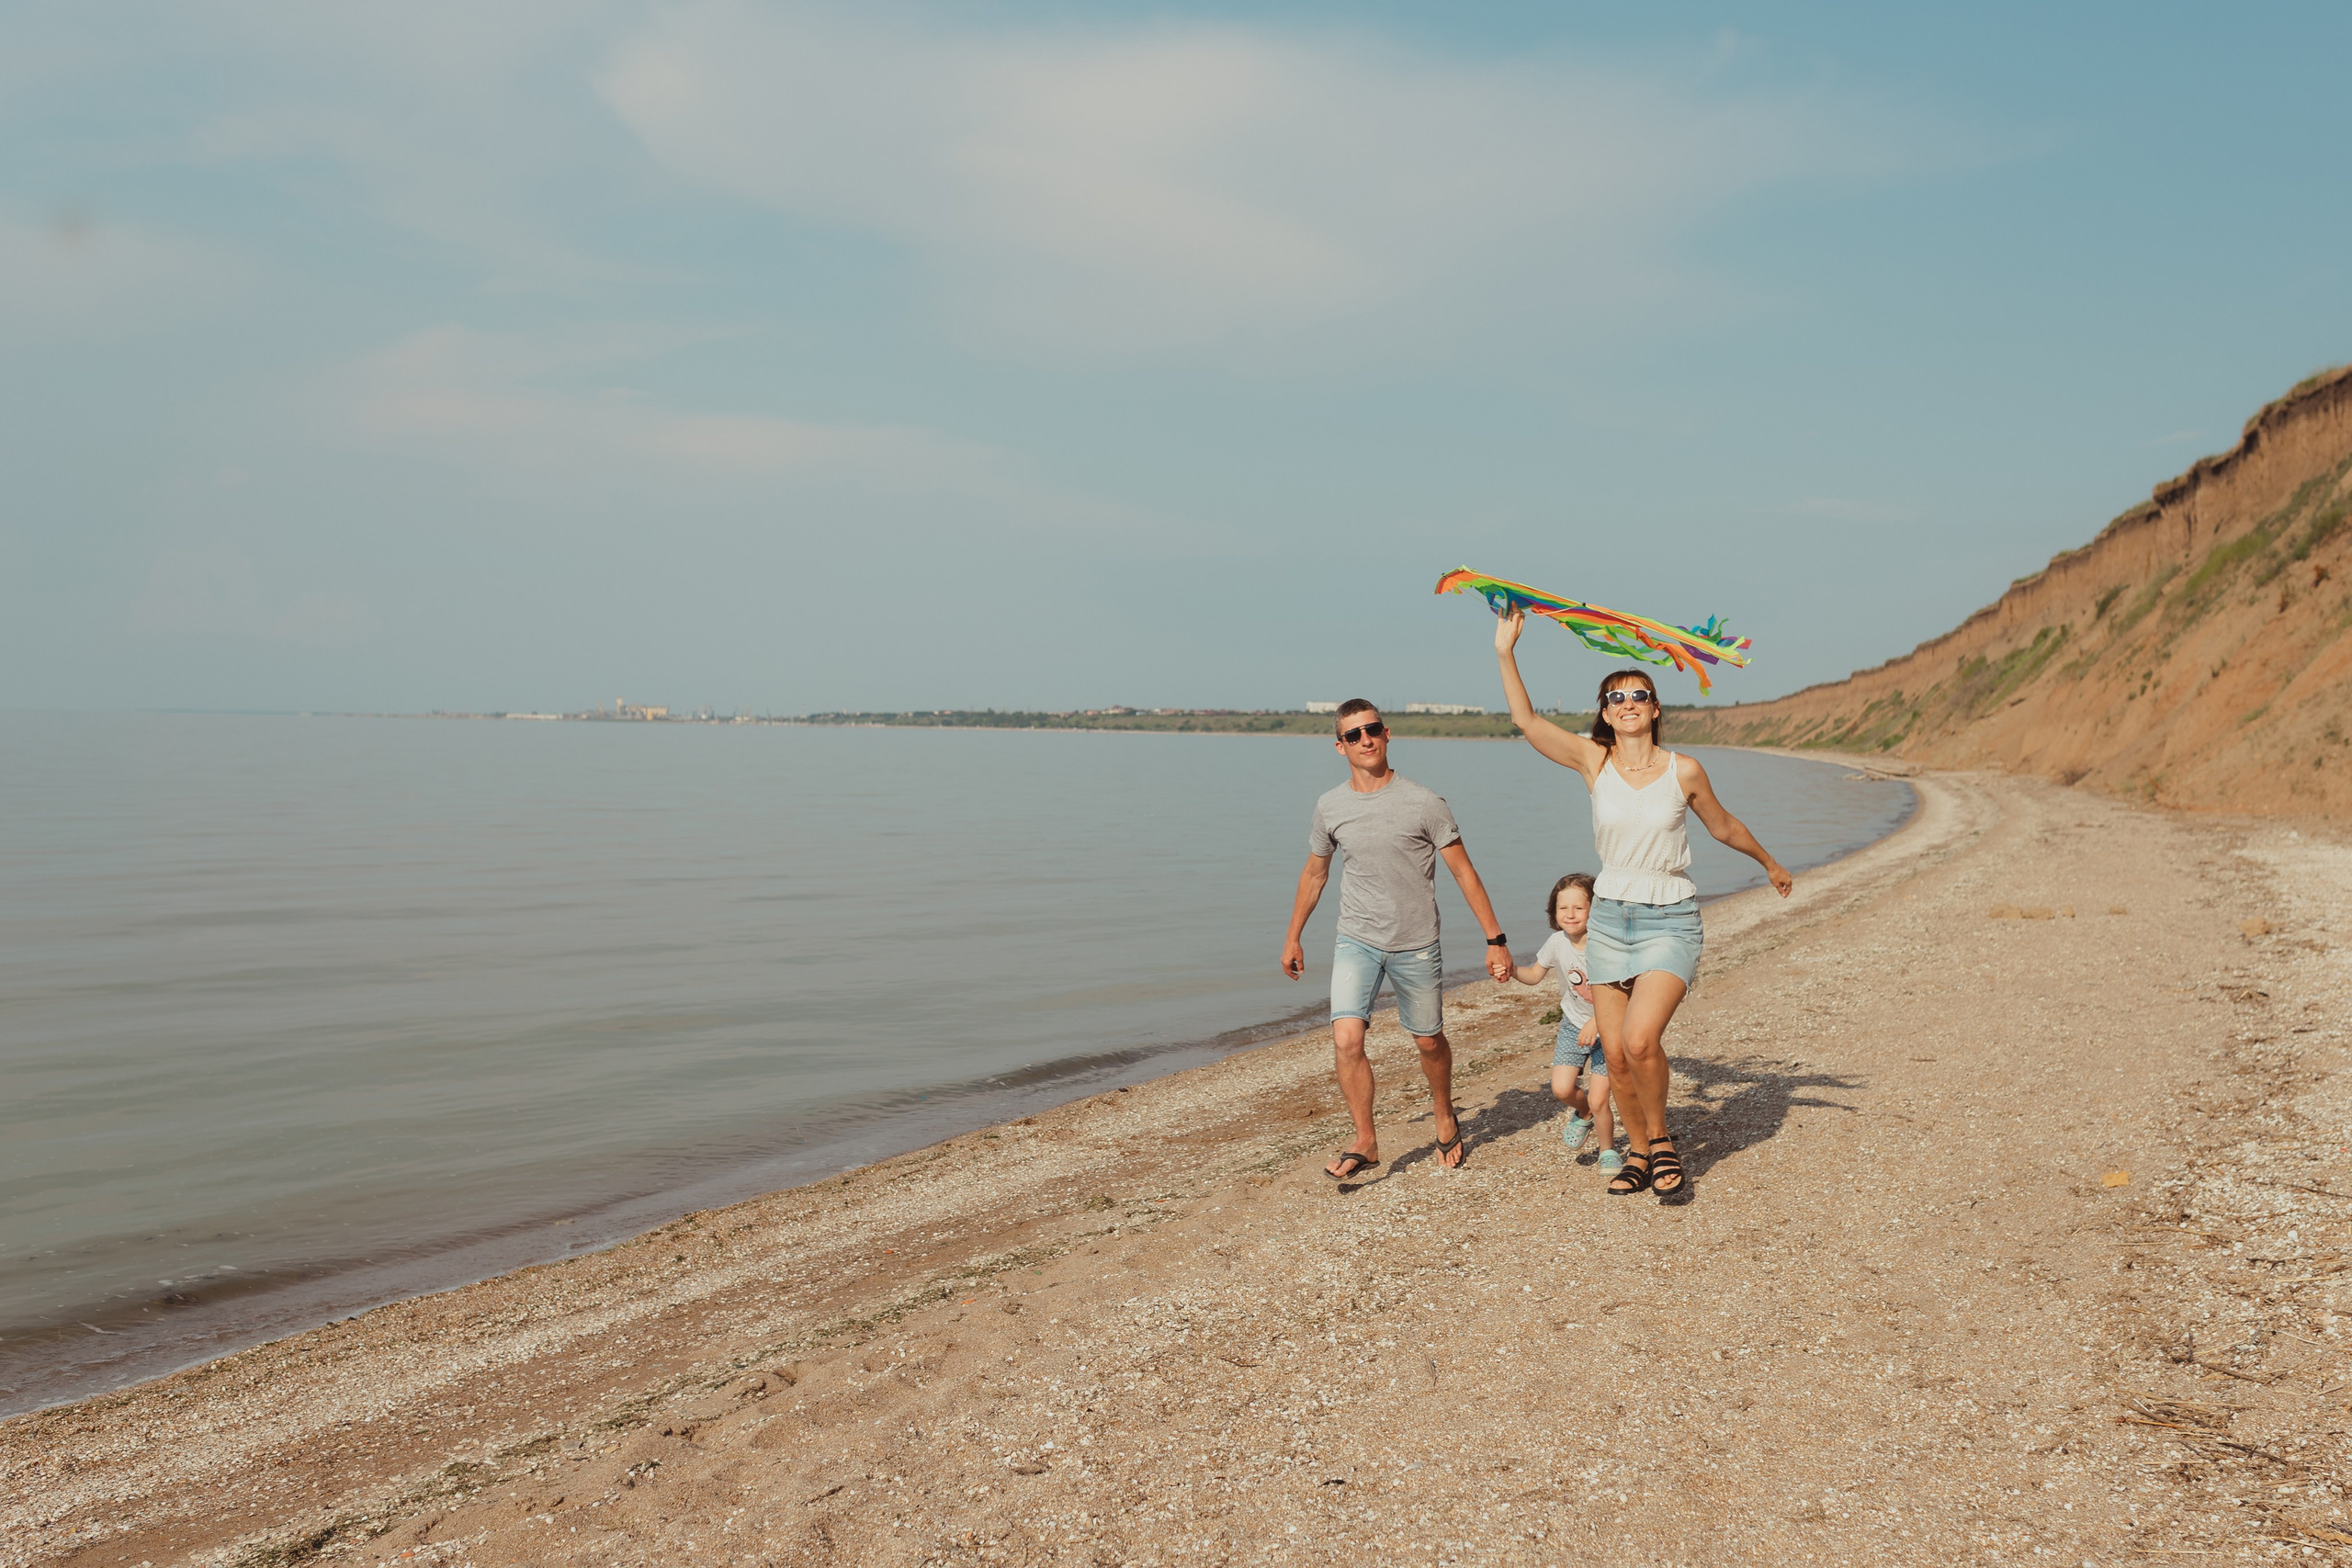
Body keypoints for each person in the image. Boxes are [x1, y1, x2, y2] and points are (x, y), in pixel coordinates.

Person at [1492, 610, 1793, 1198]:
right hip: (1609, 921)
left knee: (1637, 1041)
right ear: (1604, 712)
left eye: (1640, 694)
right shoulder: (1593, 761)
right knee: (1617, 1055)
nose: (1628, 702)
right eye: (1616, 696)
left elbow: (1723, 824)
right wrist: (1507, 651)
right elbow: (1525, 720)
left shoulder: (1684, 769)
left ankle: (1660, 1141)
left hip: (1669, 919)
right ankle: (1634, 1150)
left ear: (1655, 709)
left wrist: (1770, 863)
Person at [1281, 700, 1515, 1178]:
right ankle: (1365, 1141)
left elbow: (1464, 873)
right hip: (1356, 938)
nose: (1364, 740)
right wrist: (1293, 937)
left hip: (1416, 943)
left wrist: (1496, 938)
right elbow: (1314, 874)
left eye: (1371, 731)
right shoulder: (1330, 806)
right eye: (1353, 735)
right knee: (1347, 1038)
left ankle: (1445, 1114)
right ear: (1339, 745)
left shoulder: (1424, 802)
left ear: (1387, 734)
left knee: (1428, 1041)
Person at [1512, 872, 1622, 1172]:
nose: (1570, 915)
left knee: (1600, 1098)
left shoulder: (1605, 944)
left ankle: (1608, 1150)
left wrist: (1598, 1021)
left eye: (1578, 907)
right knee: (1561, 1088)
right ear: (1553, 912)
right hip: (1573, 1025)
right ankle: (1583, 1113)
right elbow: (1534, 976)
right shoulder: (1556, 943)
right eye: (1563, 908)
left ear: (1594, 909)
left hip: (1609, 1028)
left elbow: (1622, 992)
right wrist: (1510, 969)